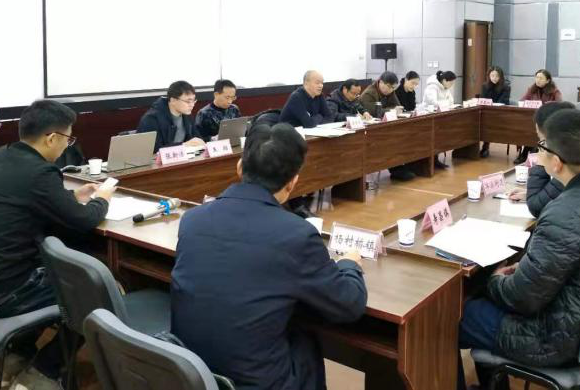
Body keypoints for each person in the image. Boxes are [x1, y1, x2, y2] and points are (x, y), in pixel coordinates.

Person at [171, 123, 367, 390]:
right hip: (256, 383)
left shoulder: (192, 220)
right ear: (293, 182)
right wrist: (348, 264)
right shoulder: (296, 235)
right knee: (305, 339)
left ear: (239, 167)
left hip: (192, 375)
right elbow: (349, 305)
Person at [458, 110, 580, 386]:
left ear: (556, 163)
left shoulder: (565, 214)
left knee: (453, 316)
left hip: (552, 337)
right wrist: (524, 270)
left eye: (541, 147)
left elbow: (523, 298)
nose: (538, 153)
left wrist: (493, 281)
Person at [0, 100, 115, 390]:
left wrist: (72, 198)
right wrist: (102, 198)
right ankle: (45, 370)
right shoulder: (40, 172)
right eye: (68, 139)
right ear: (51, 138)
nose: (67, 145)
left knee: (59, 272)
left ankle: (17, 353)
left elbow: (28, 200)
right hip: (5, 293)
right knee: (93, 294)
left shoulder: (3, 156)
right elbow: (84, 220)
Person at [359, 73, 415, 181]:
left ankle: (402, 165)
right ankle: (396, 168)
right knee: (390, 140)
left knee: (402, 136)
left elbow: (397, 106)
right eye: (389, 87)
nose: (391, 90)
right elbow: (373, 112)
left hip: (385, 124)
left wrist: (390, 110)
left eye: (393, 88)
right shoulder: (369, 93)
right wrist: (391, 110)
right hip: (370, 129)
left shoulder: (390, 91)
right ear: (380, 82)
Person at [137, 80, 205, 151]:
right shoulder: (151, 119)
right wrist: (184, 145)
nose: (192, 105)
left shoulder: (187, 114)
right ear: (173, 100)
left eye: (194, 101)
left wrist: (200, 142)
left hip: (183, 155)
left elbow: (196, 137)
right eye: (188, 101)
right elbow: (153, 149)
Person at [515, 70, 562, 164]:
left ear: (548, 80)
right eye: (536, 77)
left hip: (547, 119)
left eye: (541, 78)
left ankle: (529, 151)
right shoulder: (532, 89)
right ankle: (526, 151)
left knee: (536, 128)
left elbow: (558, 105)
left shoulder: (555, 91)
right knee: (525, 127)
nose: (538, 80)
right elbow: (522, 101)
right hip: (532, 118)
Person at [423, 71, 457, 169]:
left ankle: (436, 159)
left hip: (441, 116)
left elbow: (451, 101)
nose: (452, 85)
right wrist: (445, 103)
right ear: (444, 80)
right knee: (433, 138)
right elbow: (433, 102)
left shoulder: (445, 87)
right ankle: (430, 160)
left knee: (440, 137)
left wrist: (444, 103)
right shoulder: (432, 87)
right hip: (429, 116)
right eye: (451, 83)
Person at [479, 67, 511, 157]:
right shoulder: (485, 86)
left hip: (501, 113)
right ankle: (485, 146)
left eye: (497, 76)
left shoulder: (506, 87)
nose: (494, 78)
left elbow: (503, 101)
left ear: (501, 77)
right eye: (492, 75)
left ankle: (485, 146)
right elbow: (483, 99)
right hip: (488, 112)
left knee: (489, 122)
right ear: (489, 76)